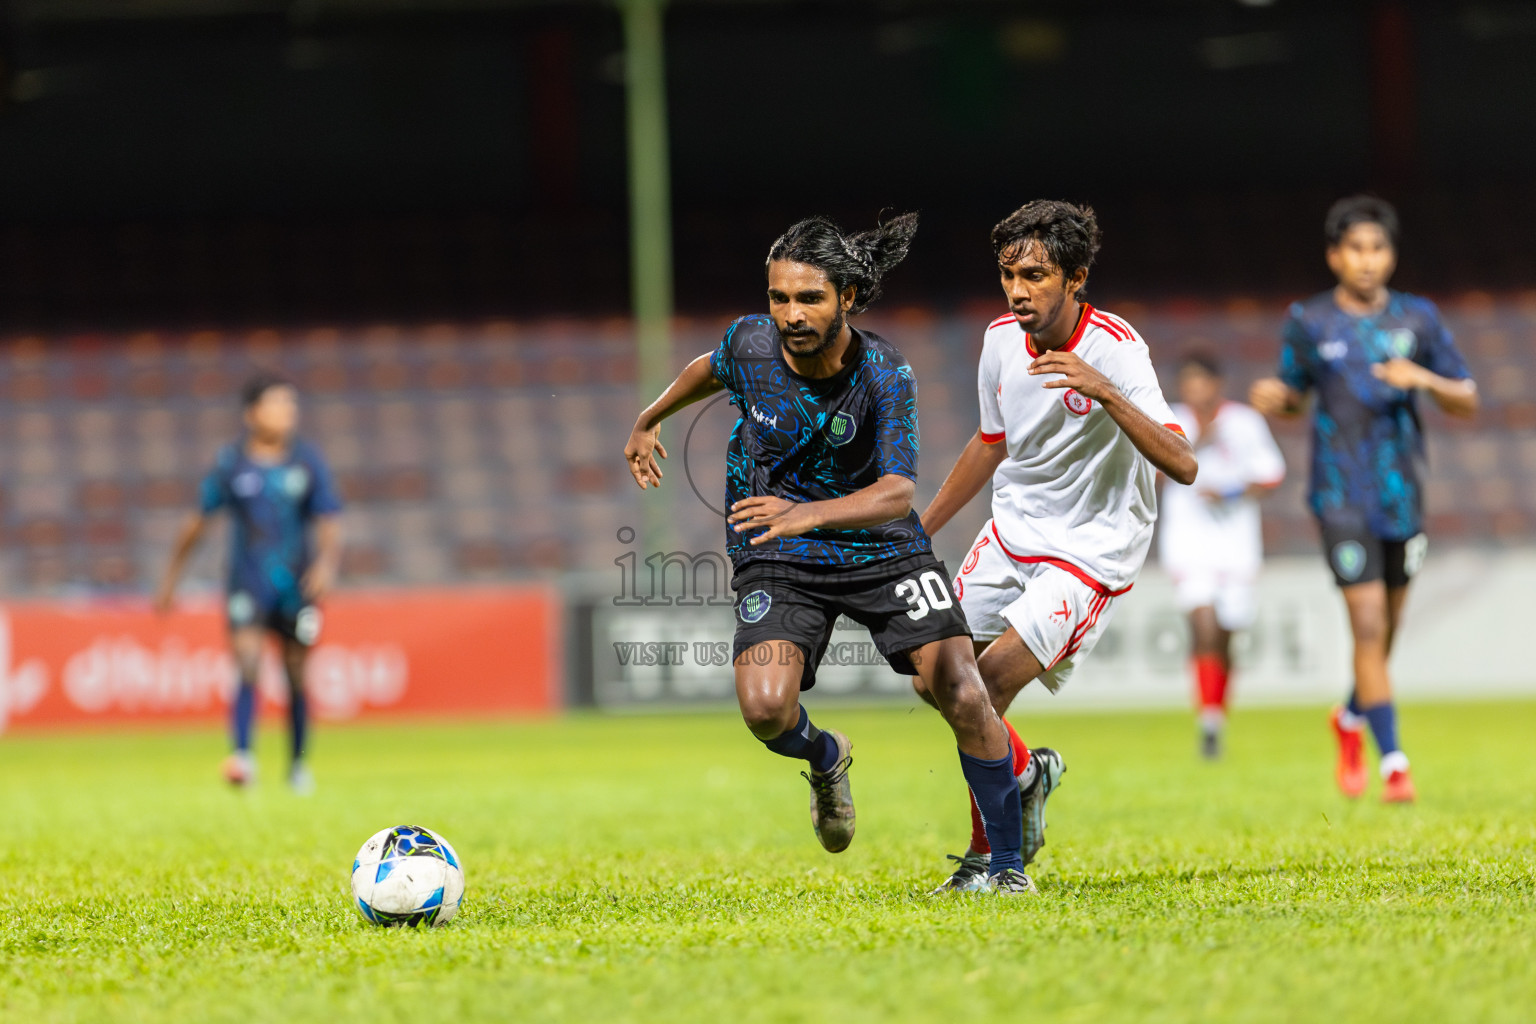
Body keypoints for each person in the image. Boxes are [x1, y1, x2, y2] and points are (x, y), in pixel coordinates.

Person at [623, 213, 1036, 894]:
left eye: (808, 298)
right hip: (781, 555)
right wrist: (649, 418)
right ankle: (826, 755)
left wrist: (804, 512)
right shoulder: (749, 344)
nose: (790, 314)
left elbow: (899, 492)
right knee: (764, 710)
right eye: (779, 298)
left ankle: (1005, 868)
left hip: (881, 548)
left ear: (845, 296)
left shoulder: (884, 373)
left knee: (960, 687)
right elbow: (709, 366)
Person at [917, 200, 1197, 892]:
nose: (1017, 290)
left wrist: (1105, 392)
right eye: (1009, 274)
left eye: (1035, 275)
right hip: (1014, 533)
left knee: (984, 684)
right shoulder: (998, 341)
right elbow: (991, 444)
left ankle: (992, 860)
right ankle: (1026, 772)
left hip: (1090, 549)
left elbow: (1185, 463)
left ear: (1075, 279)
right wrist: (921, 529)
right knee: (934, 676)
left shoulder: (1117, 349)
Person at [1250, 196, 1477, 803]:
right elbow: (1296, 396)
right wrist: (1280, 399)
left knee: (1389, 628)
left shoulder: (1419, 319)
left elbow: (1468, 397)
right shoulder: (1310, 320)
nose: (1367, 259)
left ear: (1392, 255)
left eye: (1377, 248)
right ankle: (1394, 763)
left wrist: (1422, 379)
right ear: (1334, 255)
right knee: (1369, 625)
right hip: (1339, 497)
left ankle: (1350, 717)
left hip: (1402, 497)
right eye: (1355, 248)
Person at [156, 373, 344, 793]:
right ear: (252, 413)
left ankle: (297, 764)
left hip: (299, 587)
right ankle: (242, 756)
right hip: (247, 583)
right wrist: (171, 578)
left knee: (296, 672)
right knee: (247, 661)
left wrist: (328, 565)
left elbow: (329, 518)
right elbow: (198, 522)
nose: (288, 413)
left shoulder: (306, 461)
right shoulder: (231, 463)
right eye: (278, 404)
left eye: (291, 405)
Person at [1158, 352, 1285, 759]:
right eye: (1188, 382)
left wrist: (1229, 491)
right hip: (1188, 540)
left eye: (1202, 382)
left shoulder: (1244, 422)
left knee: (1227, 633)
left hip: (1235, 544)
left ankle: (1216, 712)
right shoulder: (1170, 420)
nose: (1195, 391)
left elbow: (1270, 475)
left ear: (1216, 384)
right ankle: (1208, 723)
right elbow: (1154, 472)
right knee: (1204, 625)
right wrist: (1196, 442)